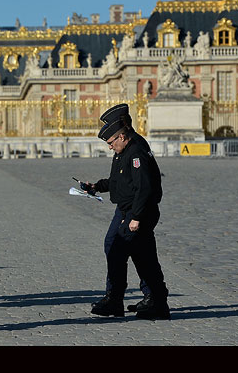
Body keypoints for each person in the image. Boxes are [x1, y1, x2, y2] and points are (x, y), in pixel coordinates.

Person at [86, 104, 170, 320]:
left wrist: (136, 217)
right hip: (124, 210)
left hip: (136, 212)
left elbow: (145, 188)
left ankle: (151, 301)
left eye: (111, 142)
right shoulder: (123, 150)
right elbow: (118, 182)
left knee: (134, 254)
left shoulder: (136, 152)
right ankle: (136, 299)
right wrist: (96, 186)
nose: (110, 147)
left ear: (122, 136)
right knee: (120, 249)